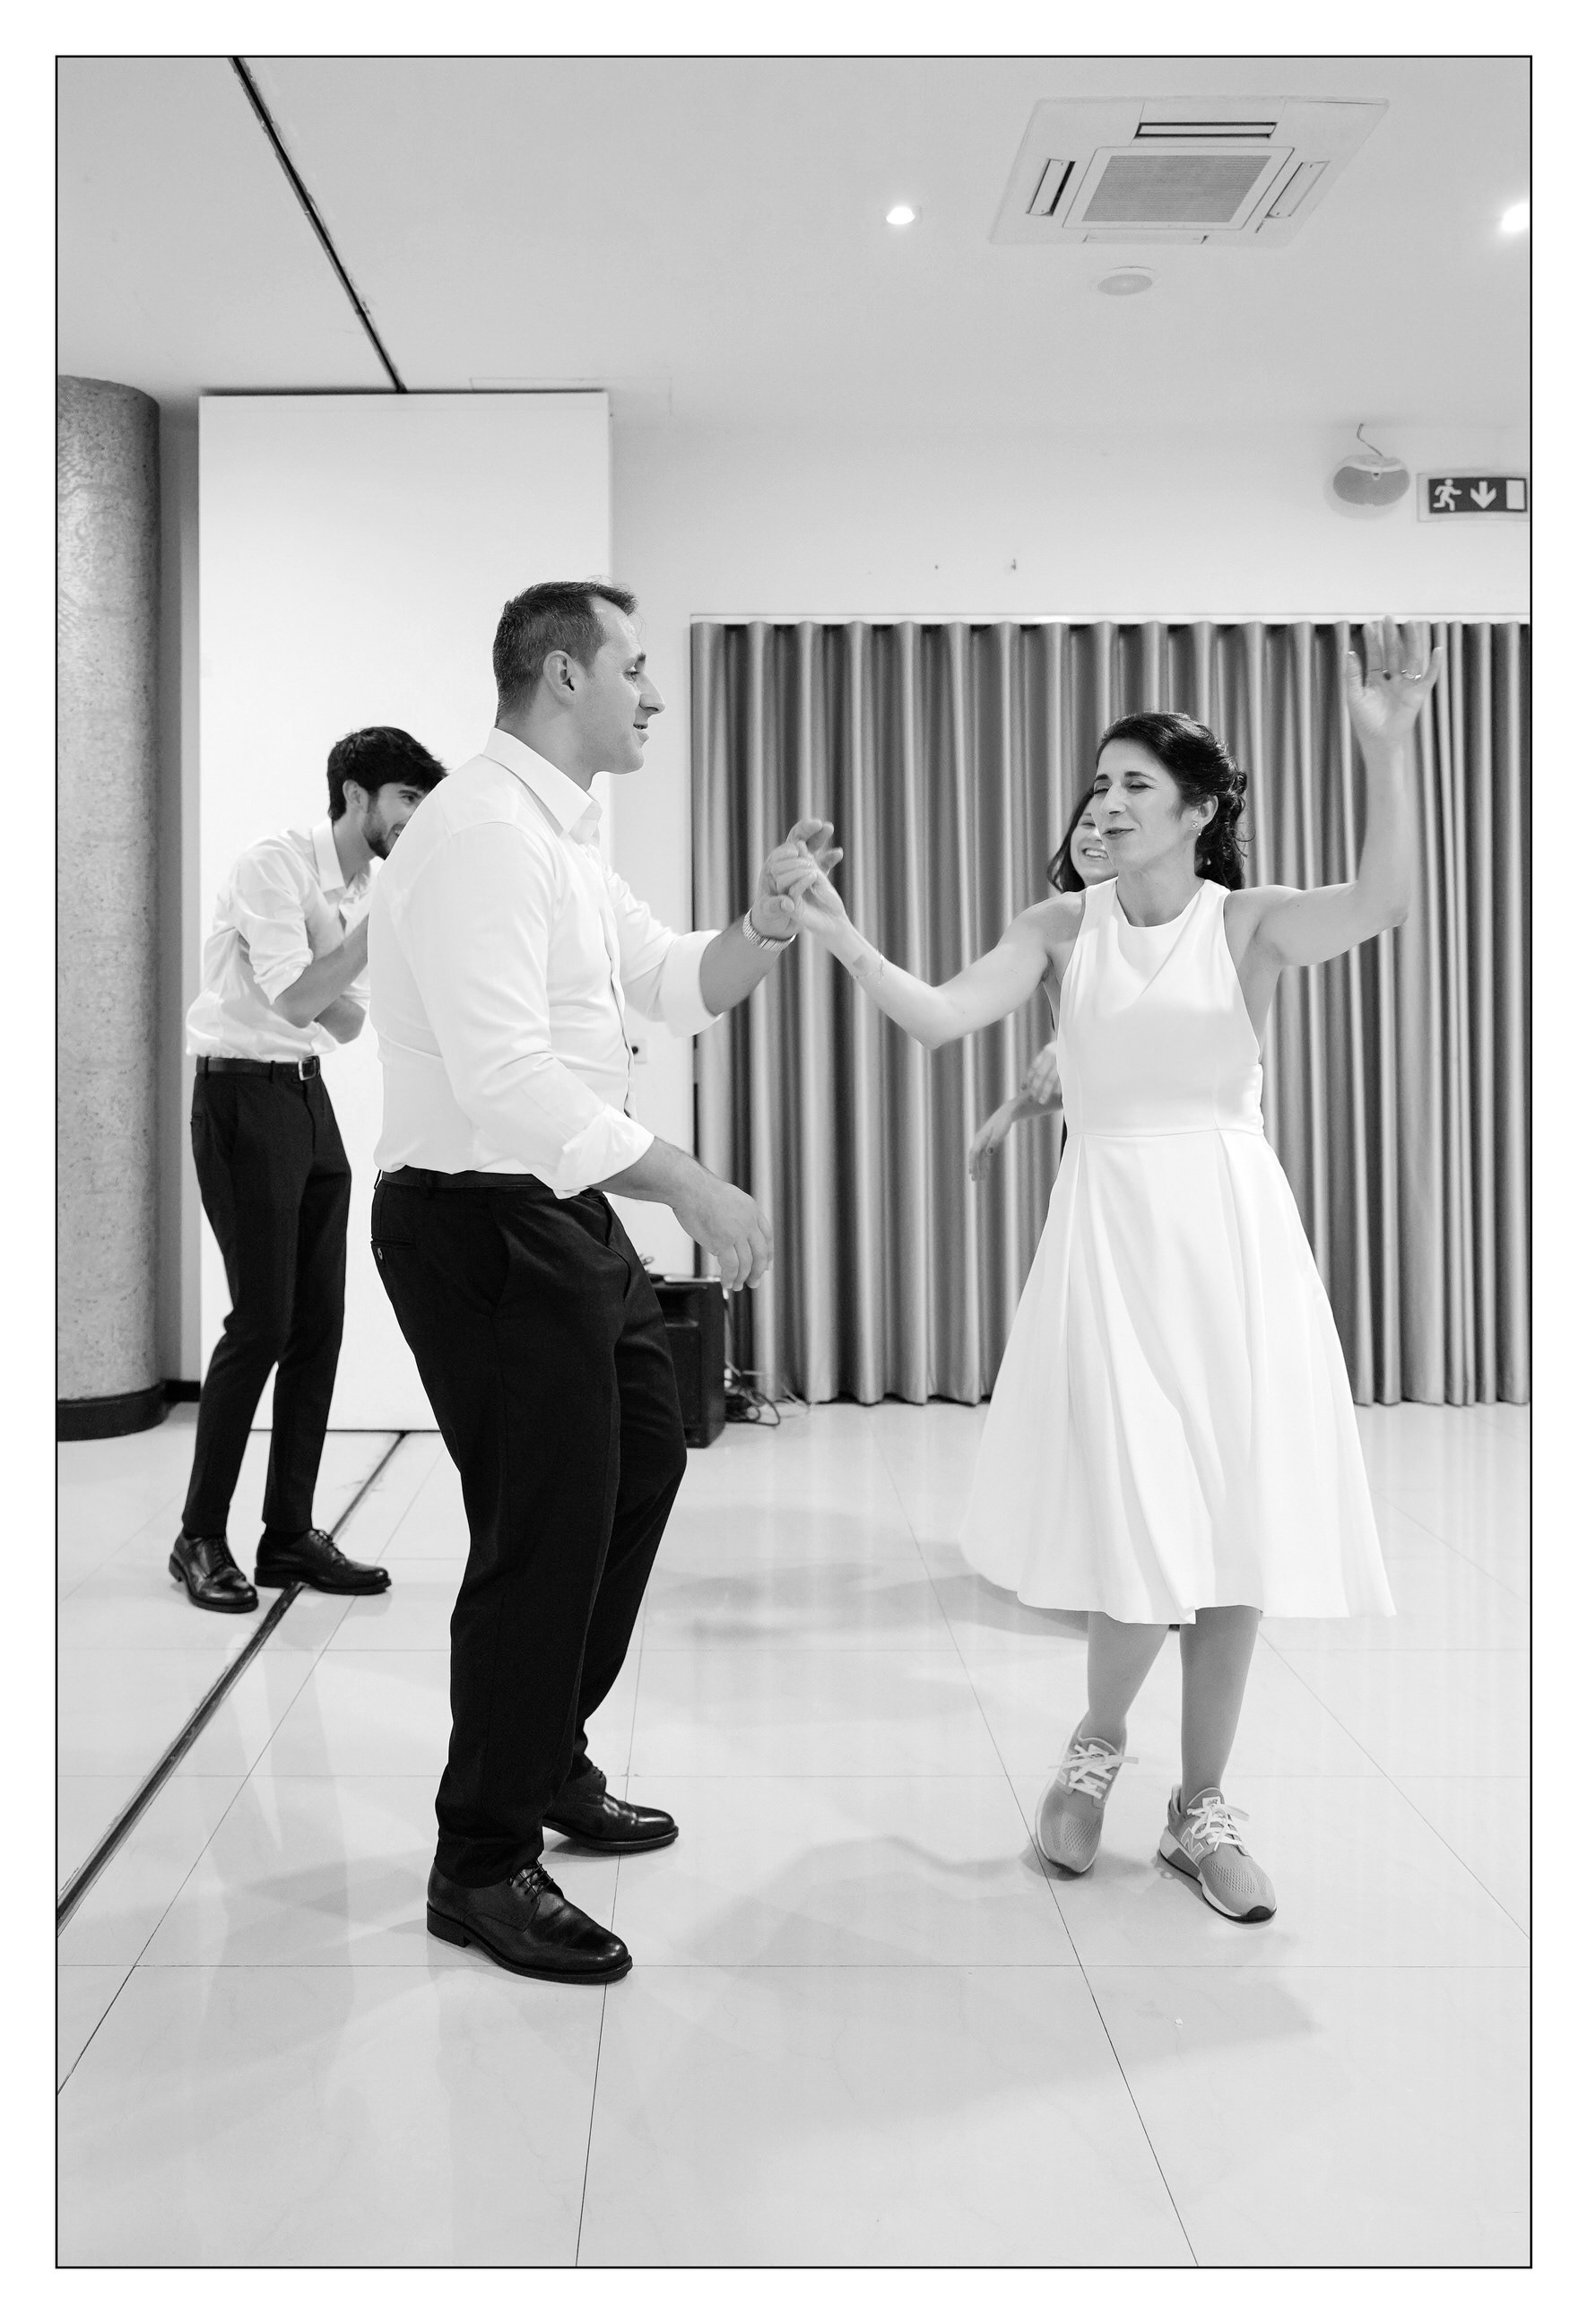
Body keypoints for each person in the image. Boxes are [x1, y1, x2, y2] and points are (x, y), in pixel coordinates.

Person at [777, 620, 1442, 1925]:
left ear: (1198, 811)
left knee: (1235, 1531)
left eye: (1138, 782)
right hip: (1110, 1236)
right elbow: (941, 1016)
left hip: (1233, 1239)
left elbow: (1382, 905)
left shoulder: (1247, 922)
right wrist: (845, 937)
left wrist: (1386, 748)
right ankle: (1094, 1746)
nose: (1110, 800)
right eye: (1101, 781)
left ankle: (1201, 1807)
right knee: (1142, 1512)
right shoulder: (1059, 927)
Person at [368, 579, 837, 1986]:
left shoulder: (562, 836)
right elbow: (504, 1079)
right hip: (478, 1223)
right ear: (563, 674)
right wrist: (687, 1181)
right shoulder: (479, 837)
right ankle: (480, 1861)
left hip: (556, 1212)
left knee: (639, 1455)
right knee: (541, 1531)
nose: (652, 690)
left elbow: (675, 981)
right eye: (633, 665)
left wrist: (764, 922)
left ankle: (542, 1753)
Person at [172, 727, 448, 1613]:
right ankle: (198, 1536)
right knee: (261, 1322)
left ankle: (287, 1533)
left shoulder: (354, 891)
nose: (415, 818)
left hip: (303, 1098)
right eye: (407, 799)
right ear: (358, 795)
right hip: (240, 1095)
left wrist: (352, 944)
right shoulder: (276, 866)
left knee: (318, 1325)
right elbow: (299, 1000)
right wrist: (367, 932)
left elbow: (348, 1022)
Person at [966, 793, 1113, 1183]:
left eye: (1109, 827)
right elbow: (1094, 1080)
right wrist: (1014, 1108)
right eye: (1087, 823)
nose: (1096, 835)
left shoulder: (1155, 929)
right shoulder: (1058, 929)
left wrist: (1076, 1046)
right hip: (1087, 1142)